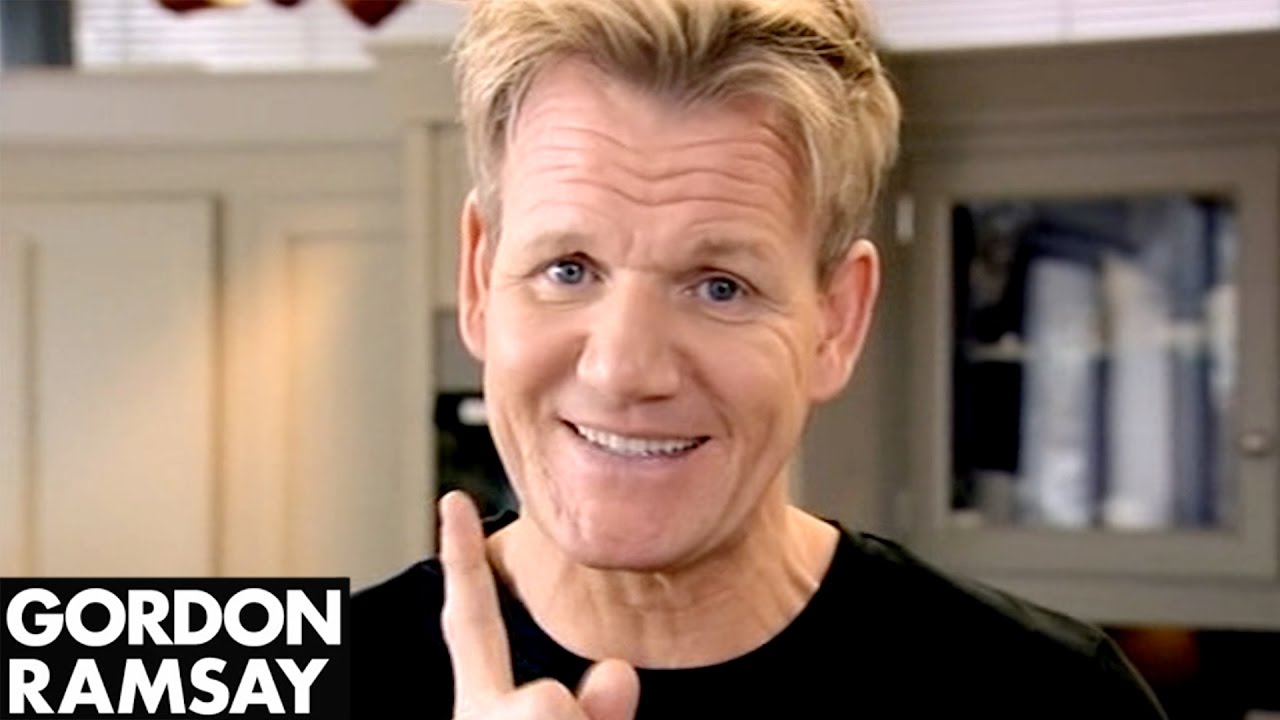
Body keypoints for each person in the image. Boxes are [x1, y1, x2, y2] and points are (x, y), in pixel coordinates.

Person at [352, 1, 1169, 717]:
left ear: (835, 322)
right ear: (479, 279)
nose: (623, 369)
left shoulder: (1056, 694)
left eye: (720, 287)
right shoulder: (278, 661)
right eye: (568, 269)